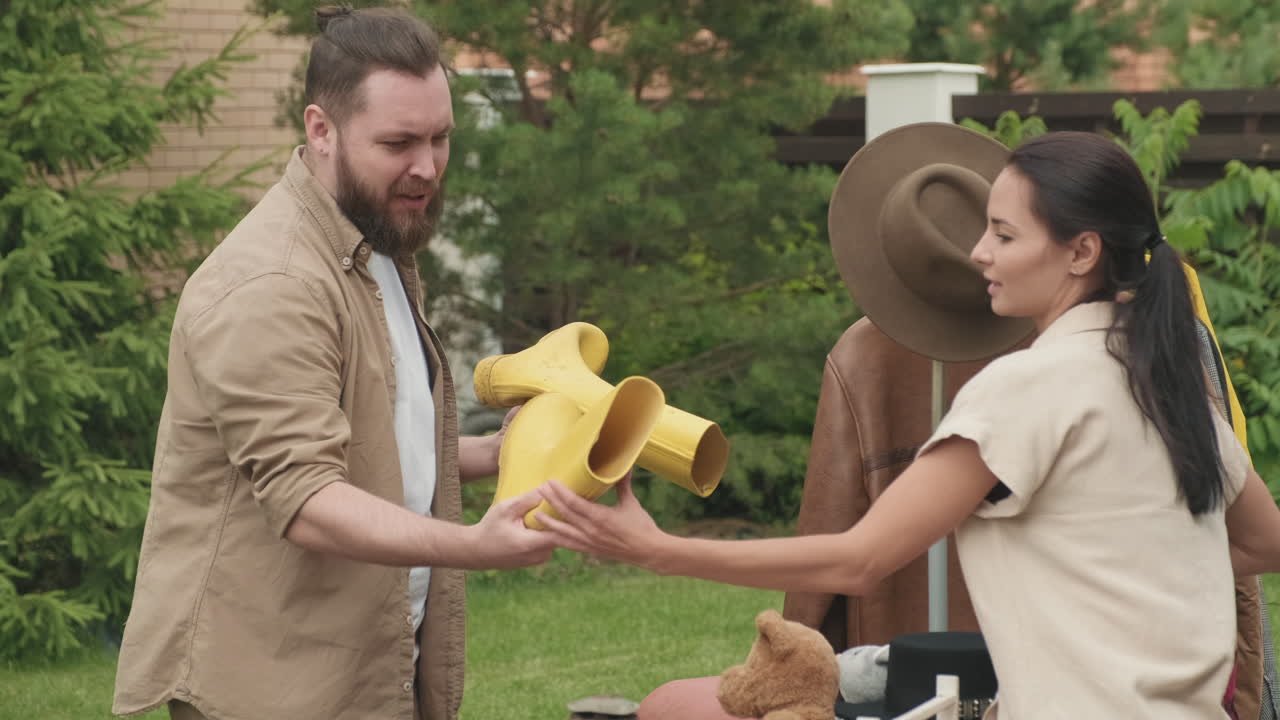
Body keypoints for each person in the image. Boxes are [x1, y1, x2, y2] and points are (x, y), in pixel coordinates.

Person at [537, 129, 1280, 718]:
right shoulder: (1168, 378)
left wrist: (661, 550)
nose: (979, 253)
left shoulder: (1028, 386)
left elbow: (859, 560)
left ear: (1082, 251)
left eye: (1004, 235)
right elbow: (1263, 543)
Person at [112, 7, 555, 720]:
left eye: (441, 138)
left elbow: (381, 440)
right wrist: (475, 545)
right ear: (321, 130)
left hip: (370, 667)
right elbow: (309, 499)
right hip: (270, 687)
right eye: (399, 142)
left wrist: (507, 455)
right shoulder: (273, 284)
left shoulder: (377, 243)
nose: (427, 166)